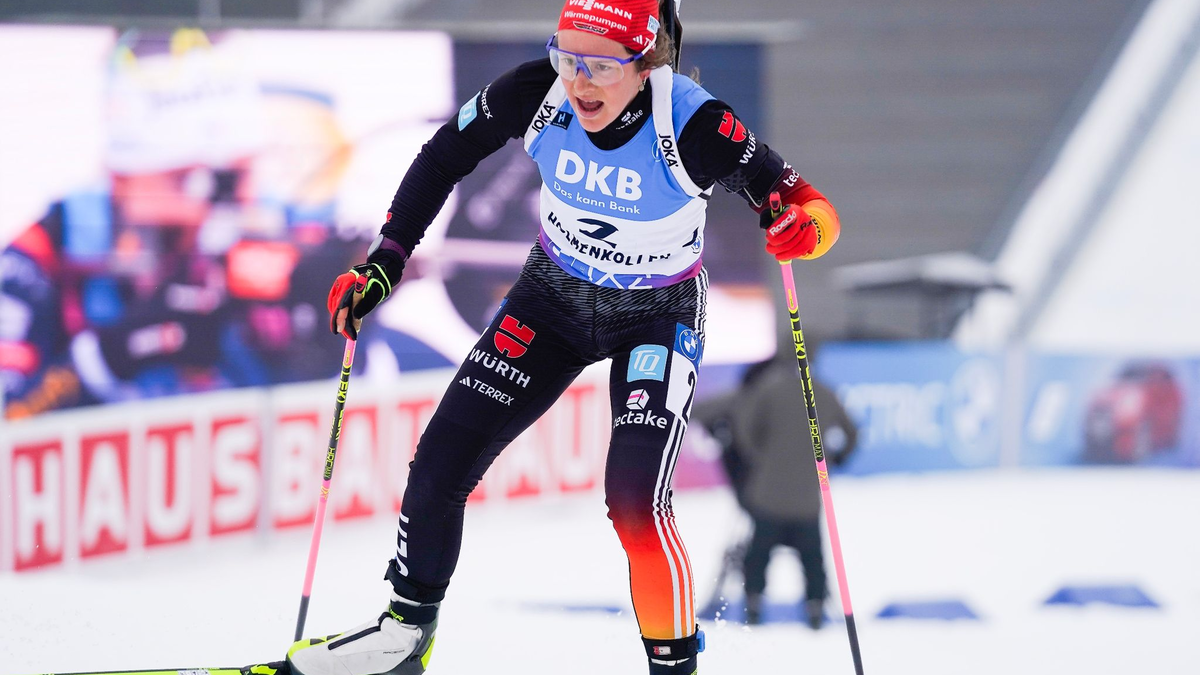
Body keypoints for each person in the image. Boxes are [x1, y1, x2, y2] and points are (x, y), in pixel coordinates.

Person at [287, 0, 841, 673]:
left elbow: (808, 205)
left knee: (636, 502)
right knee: (438, 463)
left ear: (646, 62)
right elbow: (442, 156)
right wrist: (386, 258)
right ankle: (403, 635)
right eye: (568, 58)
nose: (579, 82)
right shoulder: (535, 90)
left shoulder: (694, 123)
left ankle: (674, 665)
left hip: (656, 314)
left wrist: (804, 229)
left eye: (601, 66)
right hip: (551, 298)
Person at [708, 357, 858, 629]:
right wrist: (835, 459)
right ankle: (815, 607)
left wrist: (758, 457)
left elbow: (742, 424)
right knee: (813, 559)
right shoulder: (823, 392)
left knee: (757, 556)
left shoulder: (768, 389)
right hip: (807, 498)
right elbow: (852, 432)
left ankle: (753, 604)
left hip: (768, 495)